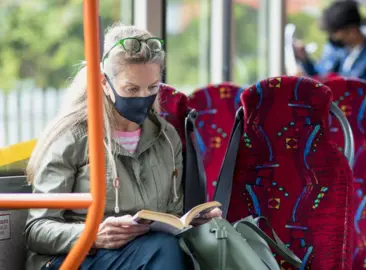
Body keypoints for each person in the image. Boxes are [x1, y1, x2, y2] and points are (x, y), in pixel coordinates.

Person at [24, 23, 222, 270]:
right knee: (164, 250)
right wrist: (93, 234)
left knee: (173, 250)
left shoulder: (166, 137)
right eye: (131, 89)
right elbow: (37, 230)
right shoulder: (72, 137)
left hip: (148, 252)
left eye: (152, 88)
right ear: (104, 84)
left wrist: (195, 222)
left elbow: (172, 217)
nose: (143, 98)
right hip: (77, 257)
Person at [293, 1, 366, 83]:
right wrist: (305, 60)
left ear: (352, 31)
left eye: (334, 33)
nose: (332, 38)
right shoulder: (337, 49)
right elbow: (322, 74)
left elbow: (356, 90)